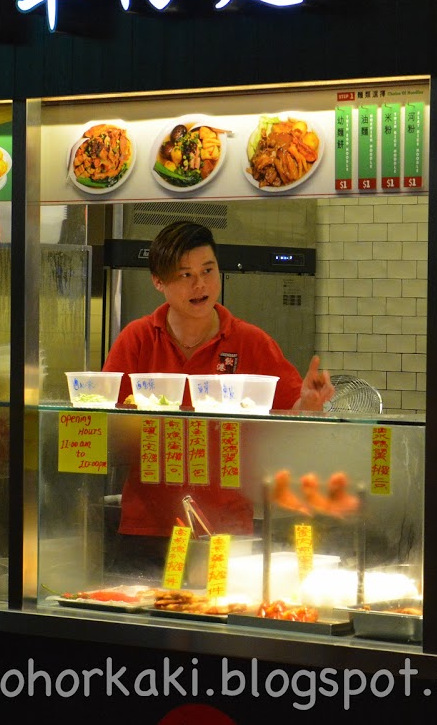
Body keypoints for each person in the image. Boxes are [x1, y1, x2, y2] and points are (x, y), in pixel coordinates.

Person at [102, 220, 334, 569]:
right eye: (184, 275)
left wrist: (310, 403)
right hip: (148, 528)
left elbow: (294, 415)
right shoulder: (137, 340)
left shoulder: (250, 342)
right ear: (158, 281)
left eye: (208, 271)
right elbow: (106, 424)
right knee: (145, 616)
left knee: (218, 620)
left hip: (224, 531)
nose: (200, 285)